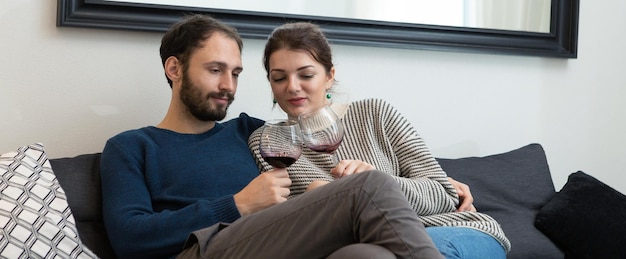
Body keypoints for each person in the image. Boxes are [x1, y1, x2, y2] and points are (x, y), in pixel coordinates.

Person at [100, 14, 445, 259]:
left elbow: (315, 130)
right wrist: (238, 205)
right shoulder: (131, 147)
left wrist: (447, 184)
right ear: (174, 69)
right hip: (201, 250)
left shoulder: (250, 132)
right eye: (215, 70)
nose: (228, 86)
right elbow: (129, 238)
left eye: (235, 73)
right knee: (372, 185)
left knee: (366, 254)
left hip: (270, 243)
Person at [248, 22, 511, 258]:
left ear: (329, 77)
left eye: (306, 75)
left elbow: (443, 193)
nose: (292, 86)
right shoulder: (269, 143)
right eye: (279, 77)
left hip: (449, 229)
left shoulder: (375, 114)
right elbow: (289, 232)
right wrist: (317, 203)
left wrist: (377, 185)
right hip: (371, 247)